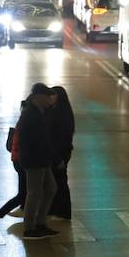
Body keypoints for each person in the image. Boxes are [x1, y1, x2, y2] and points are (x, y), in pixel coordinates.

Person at [0, 95, 30, 238]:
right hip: (23, 161)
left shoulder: (23, 121)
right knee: (24, 194)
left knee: (25, 194)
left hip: (18, 160)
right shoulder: (27, 123)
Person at [16, 83, 58, 240]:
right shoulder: (31, 115)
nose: (49, 99)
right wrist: (54, 157)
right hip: (34, 159)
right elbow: (39, 139)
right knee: (34, 193)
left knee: (50, 189)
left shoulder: (38, 112)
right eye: (47, 97)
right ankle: (29, 228)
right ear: (38, 97)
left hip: (41, 159)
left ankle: (40, 223)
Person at [47, 86, 74, 220]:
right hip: (56, 153)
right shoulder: (56, 111)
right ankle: (54, 210)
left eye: (52, 95)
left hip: (60, 154)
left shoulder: (62, 115)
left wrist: (59, 158)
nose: (50, 98)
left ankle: (63, 212)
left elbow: (63, 138)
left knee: (60, 182)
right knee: (56, 182)